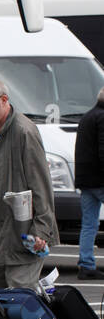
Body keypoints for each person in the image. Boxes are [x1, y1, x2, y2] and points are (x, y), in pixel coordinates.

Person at [0, 79, 59, 304]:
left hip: (22, 226)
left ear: (4, 101)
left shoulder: (24, 131)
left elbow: (41, 184)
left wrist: (41, 229)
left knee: (21, 295)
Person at [74, 86, 104, 280]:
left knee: (89, 224)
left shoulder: (87, 116)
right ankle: (86, 264)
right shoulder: (102, 117)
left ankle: (86, 264)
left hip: (86, 180)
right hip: (100, 179)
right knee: (90, 224)